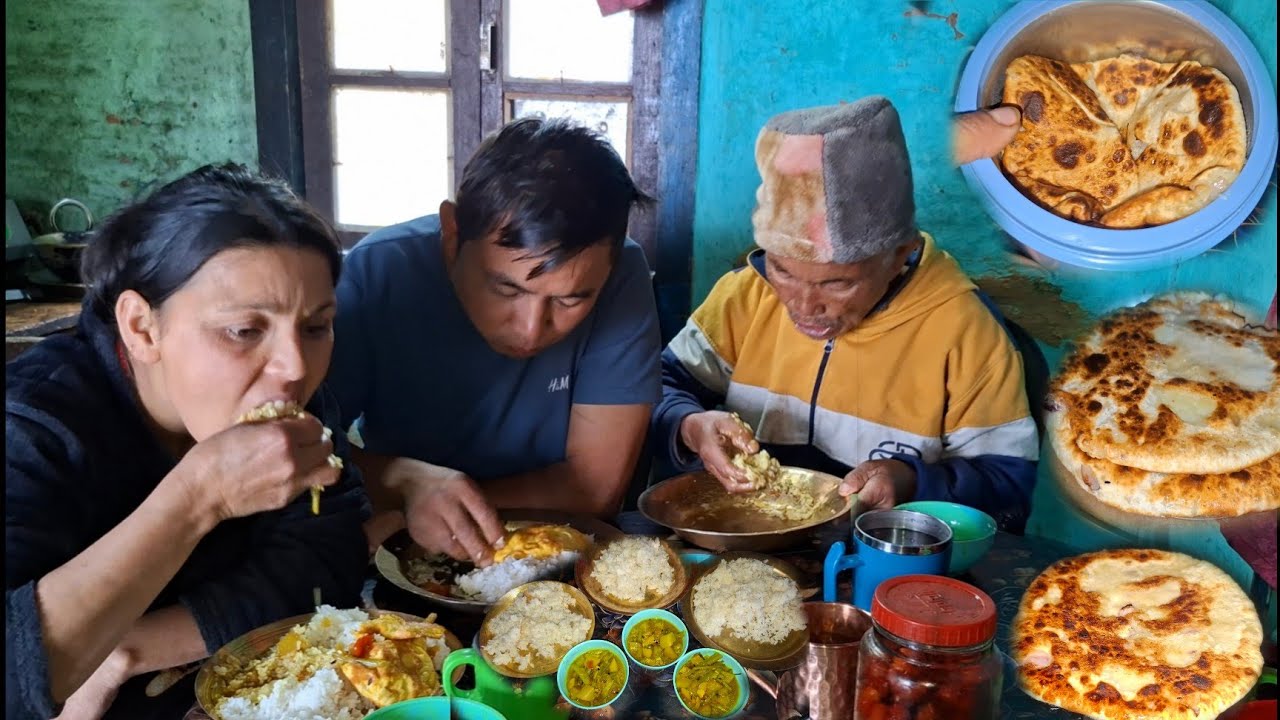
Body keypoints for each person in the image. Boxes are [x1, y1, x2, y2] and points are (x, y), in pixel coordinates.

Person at [5, 164, 371, 720]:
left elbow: (327, 557)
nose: (295, 367)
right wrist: (198, 497)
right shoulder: (33, 428)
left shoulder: (292, 395)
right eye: (245, 331)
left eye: (316, 326)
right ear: (141, 327)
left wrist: (127, 649)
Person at [652, 97, 1039, 532]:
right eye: (783, 270)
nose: (802, 305)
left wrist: (912, 481)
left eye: (837, 284)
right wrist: (688, 425)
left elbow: (1008, 486)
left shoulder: (964, 328)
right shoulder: (746, 293)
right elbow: (660, 386)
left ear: (900, 255)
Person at [330, 117, 661, 566]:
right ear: (451, 235)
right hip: (397, 552)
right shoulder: (378, 274)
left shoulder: (622, 275)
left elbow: (593, 488)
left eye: (569, 300)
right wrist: (406, 482)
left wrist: (427, 507)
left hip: (554, 551)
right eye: (506, 290)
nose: (530, 330)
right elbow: (306, 451)